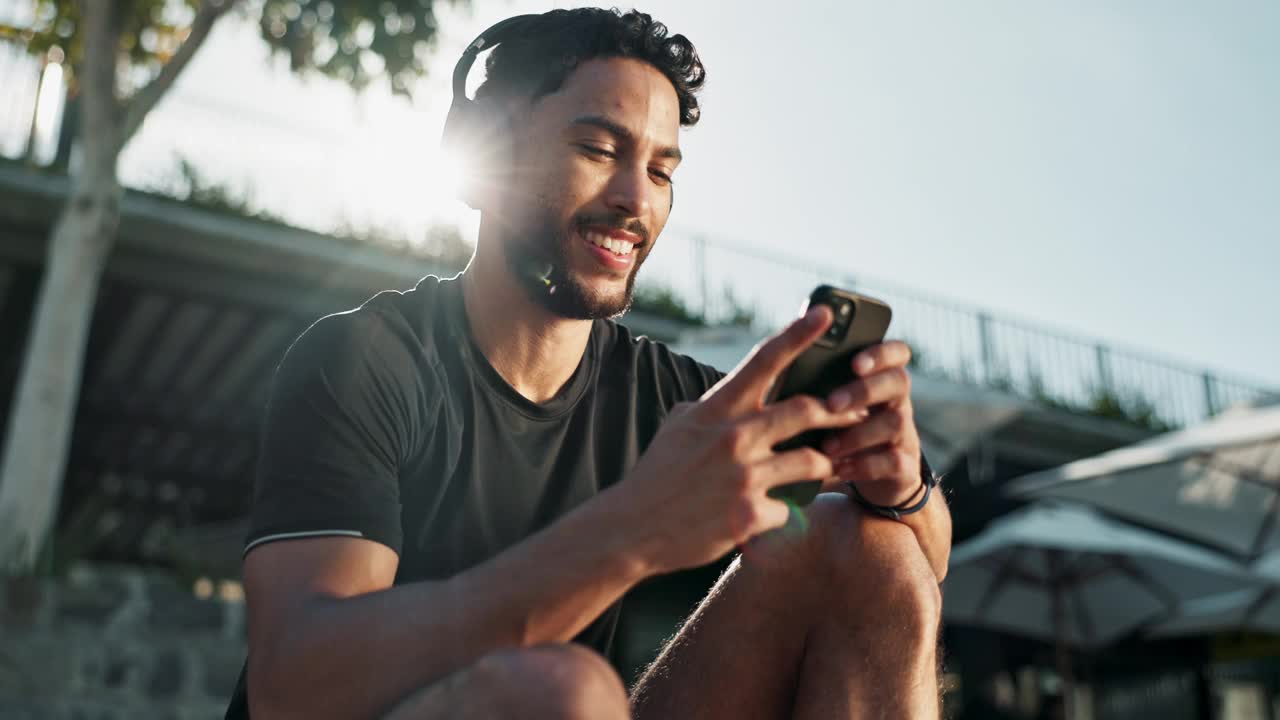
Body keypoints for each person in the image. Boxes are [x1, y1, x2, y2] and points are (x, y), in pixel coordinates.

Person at [224, 8, 951, 719]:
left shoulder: (680, 408)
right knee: (558, 695)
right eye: (599, 150)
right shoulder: (365, 362)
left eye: (661, 170)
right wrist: (631, 530)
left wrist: (900, 486)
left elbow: (908, 573)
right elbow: (294, 690)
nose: (636, 198)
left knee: (863, 546)